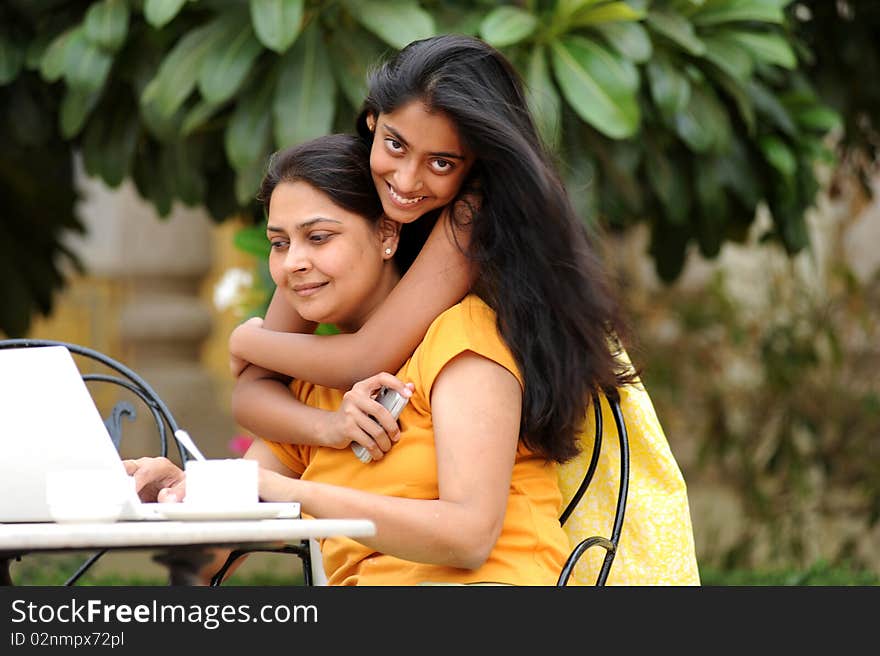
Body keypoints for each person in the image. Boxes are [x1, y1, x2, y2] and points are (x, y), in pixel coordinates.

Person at [227, 35, 700, 585]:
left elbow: (365, 355)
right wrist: (329, 427)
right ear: (373, 122)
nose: (406, 182)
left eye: (442, 161)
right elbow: (252, 393)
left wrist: (245, 341)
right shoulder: (336, 213)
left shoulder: (472, 220)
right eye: (396, 146)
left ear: (476, 163)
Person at [128, 133, 571, 585]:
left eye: (318, 237)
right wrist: (176, 491)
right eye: (279, 244)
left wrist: (287, 492)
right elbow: (210, 560)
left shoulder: (461, 339)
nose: (293, 263)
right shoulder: (312, 392)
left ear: (386, 233)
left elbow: (469, 536)